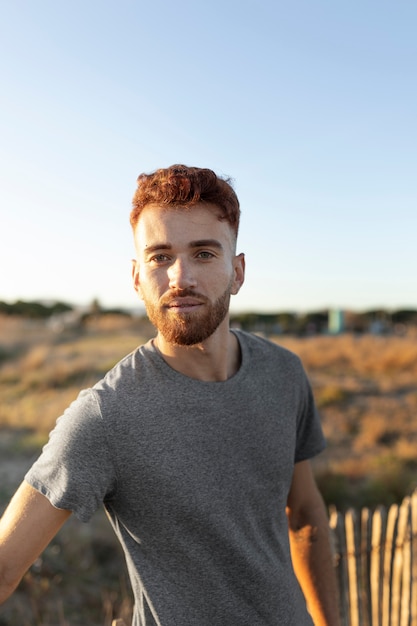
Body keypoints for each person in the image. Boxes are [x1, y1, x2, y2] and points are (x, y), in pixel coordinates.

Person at [0, 165, 341, 625]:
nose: (180, 277)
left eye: (203, 253)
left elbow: (303, 514)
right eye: (160, 257)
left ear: (237, 272)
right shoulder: (105, 416)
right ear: (137, 277)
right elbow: (4, 567)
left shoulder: (284, 374)